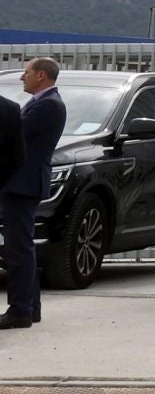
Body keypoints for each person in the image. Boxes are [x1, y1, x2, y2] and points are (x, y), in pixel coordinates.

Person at [3, 57, 67, 329]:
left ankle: (20, 310)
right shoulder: (43, 103)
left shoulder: (48, 105)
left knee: (19, 249)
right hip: (22, 183)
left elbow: (12, 134)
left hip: (23, 183)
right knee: (21, 247)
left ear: (41, 75)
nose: (22, 78)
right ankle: (31, 308)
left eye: (26, 72)